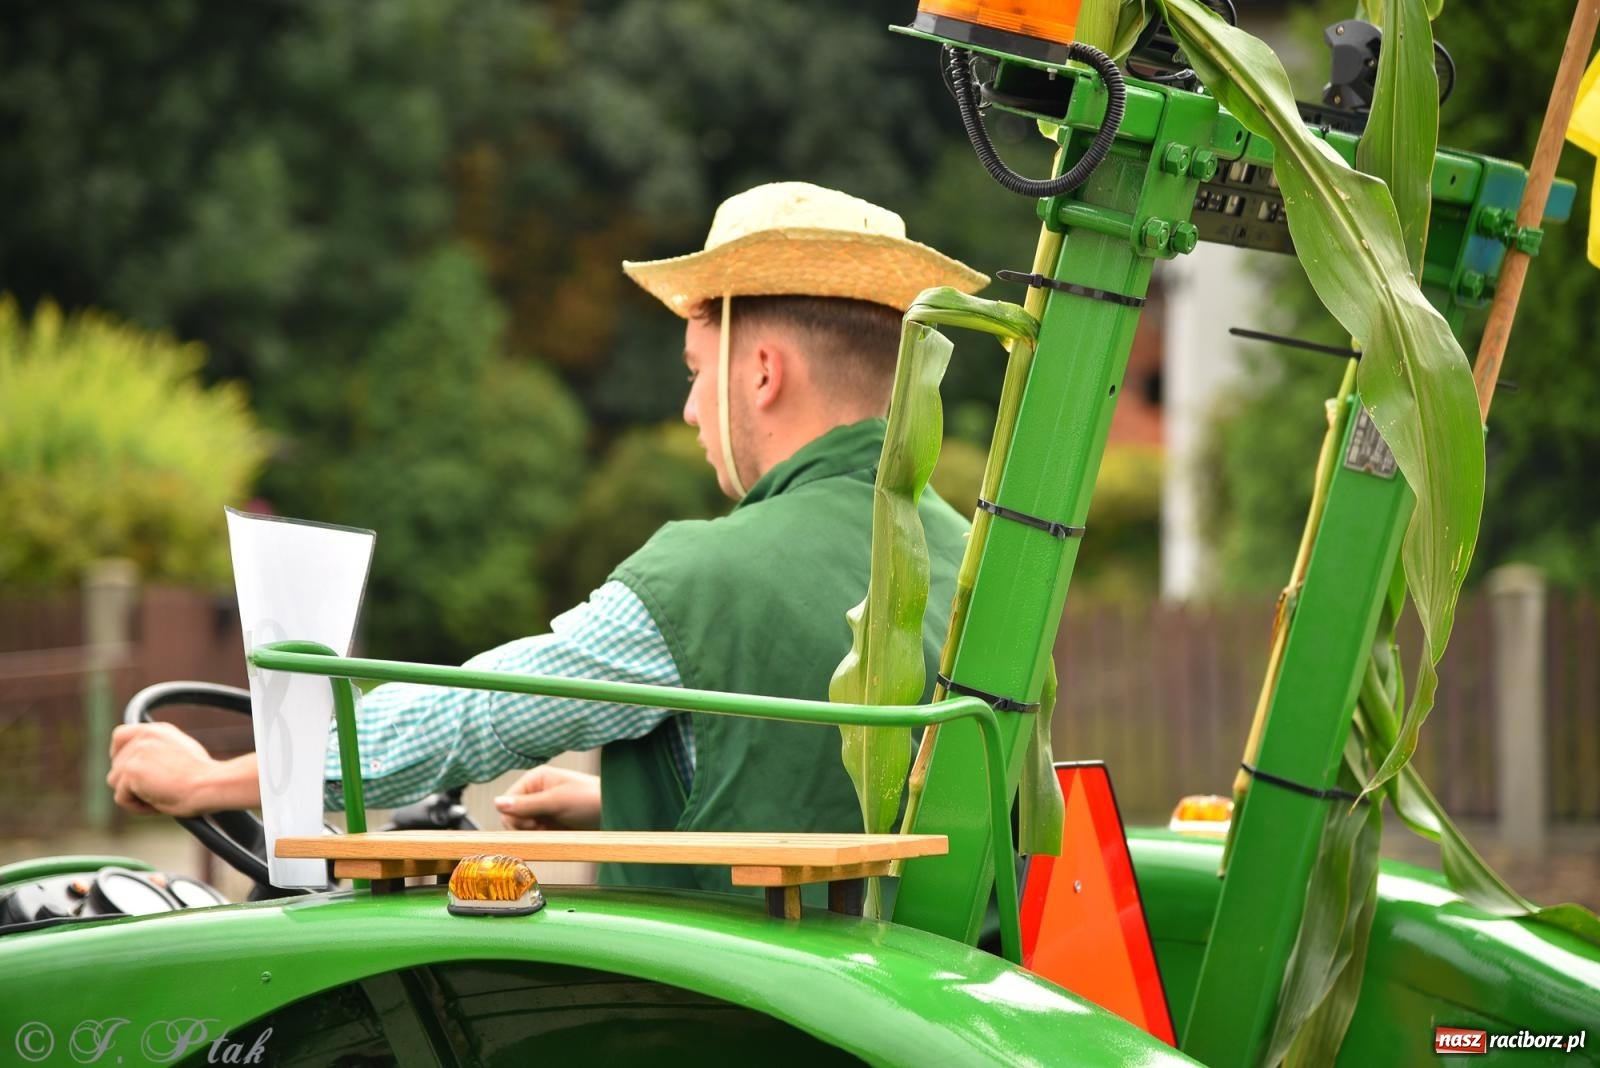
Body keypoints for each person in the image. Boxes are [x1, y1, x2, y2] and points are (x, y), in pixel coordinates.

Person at [108, 181, 987, 894]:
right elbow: (854, 797)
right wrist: (628, 804)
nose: (688, 409)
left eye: (695, 373)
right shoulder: (969, 560)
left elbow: (474, 716)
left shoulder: (702, 578)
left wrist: (213, 777)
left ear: (760, 373)